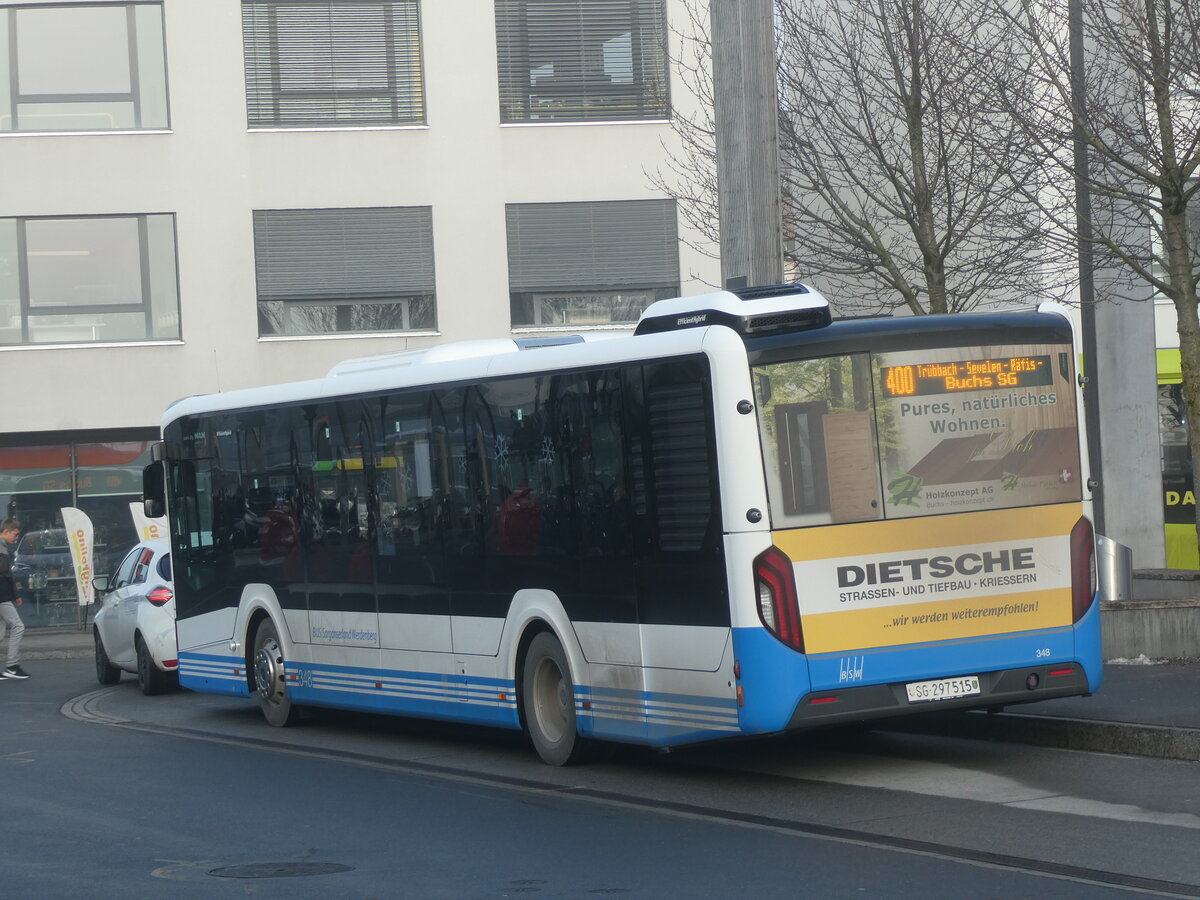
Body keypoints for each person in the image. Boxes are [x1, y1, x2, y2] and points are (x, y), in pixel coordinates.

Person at [0, 519, 29, 680]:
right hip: (2, 596)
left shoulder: (4, 548)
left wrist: (15, 595)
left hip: (4, 595)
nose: (16, 538)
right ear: (5, 531)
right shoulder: (2, 549)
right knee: (18, 626)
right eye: (15, 534)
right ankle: (12, 666)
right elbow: (6, 574)